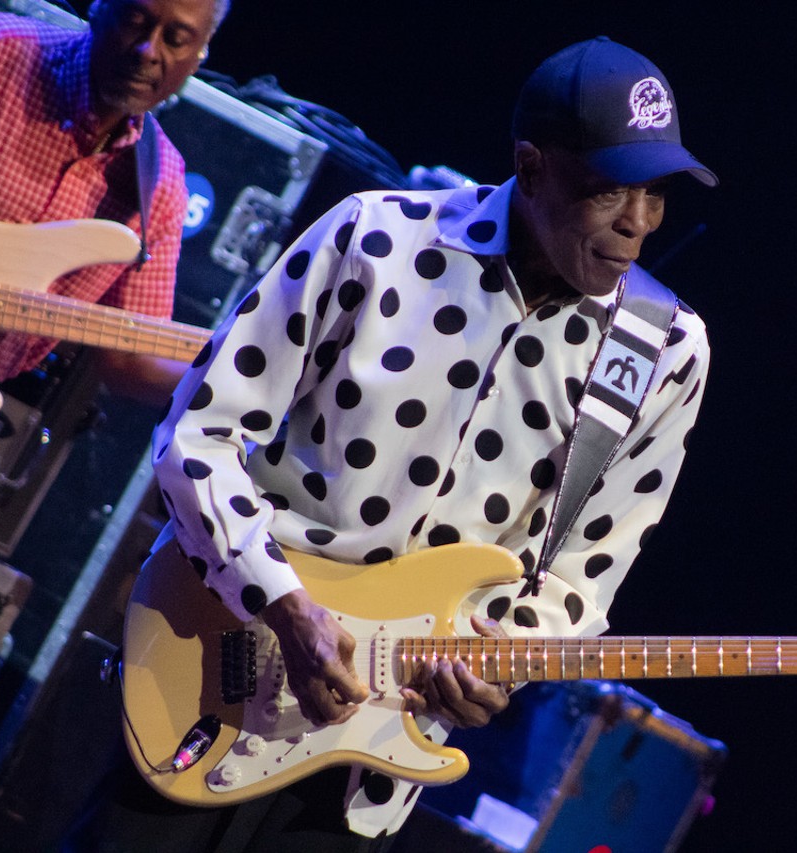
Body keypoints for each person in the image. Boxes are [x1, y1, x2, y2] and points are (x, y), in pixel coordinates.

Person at [73, 36, 717, 851]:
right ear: (532, 167)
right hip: (215, 665)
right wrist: (281, 601)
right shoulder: (376, 241)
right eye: (608, 193)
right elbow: (198, 433)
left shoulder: (665, 352)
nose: (638, 224)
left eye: (655, 195)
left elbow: (584, 572)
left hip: (374, 762)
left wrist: (501, 666)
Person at [0, 0, 226, 570]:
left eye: (176, 38)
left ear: (198, 57)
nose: (149, 50)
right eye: (135, 21)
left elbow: (132, 361)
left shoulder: (160, 186)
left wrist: (252, 381)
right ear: (99, 9)